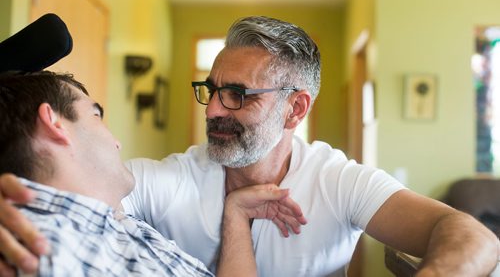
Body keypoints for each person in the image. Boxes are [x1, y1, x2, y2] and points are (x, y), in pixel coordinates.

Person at [0, 16, 499, 276]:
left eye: (238, 95)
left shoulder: (339, 180)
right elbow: (63, 187)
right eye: (212, 89)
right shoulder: (166, 181)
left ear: (296, 109)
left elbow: (471, 236)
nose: (214, 109)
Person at [0, 71, 306, 276]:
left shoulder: (115, 222)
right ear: (55, 124)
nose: (116, 141)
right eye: (96, 115)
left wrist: (235, 213)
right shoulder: (38, 252)